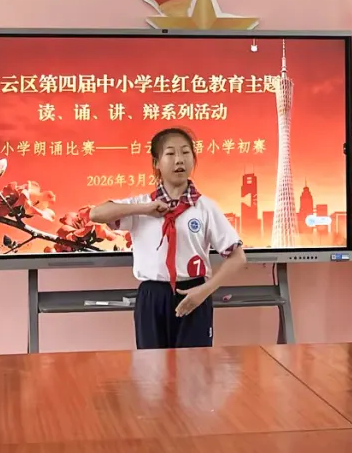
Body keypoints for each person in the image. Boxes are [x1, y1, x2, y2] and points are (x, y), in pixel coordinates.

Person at [89, 127, 247, 349]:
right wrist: (145, 209)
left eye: (185, 152)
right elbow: (96, 214)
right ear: (156, 163)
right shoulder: (141, 205)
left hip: (193, 292)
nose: (179, 160)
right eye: (171, 153)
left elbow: (238, 257)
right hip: (152, 296)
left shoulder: (205, 207)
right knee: (152, 366)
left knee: (194, 365)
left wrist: (205, 291)